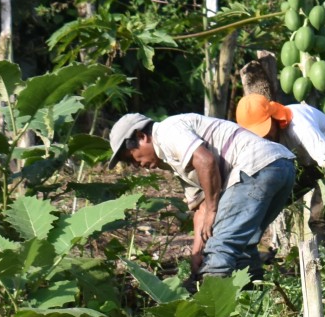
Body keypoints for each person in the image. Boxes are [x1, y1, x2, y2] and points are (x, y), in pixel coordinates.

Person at [109, 111, 296, 280]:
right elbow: (201, 206)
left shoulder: (167, 131)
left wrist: (213, 210)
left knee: (220, 247)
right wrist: (197, 252)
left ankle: (210, 301)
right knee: (243, 246)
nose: (136, 165)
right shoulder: (173, 160)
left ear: (141, 136)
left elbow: (205, 161)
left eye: (131, 157)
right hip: (281, 166)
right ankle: (252, 297)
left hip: (256, 166)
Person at [234, 93, 325, 201]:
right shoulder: (264, 139)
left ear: (273, 117)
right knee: (281, 198)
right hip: (309, 164)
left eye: (264, 131)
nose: (264, 137)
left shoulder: (300, 126)